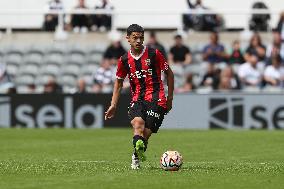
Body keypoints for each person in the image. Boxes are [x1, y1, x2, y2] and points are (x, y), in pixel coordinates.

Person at [104, 24, 174, 169]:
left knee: (145, 134)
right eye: (135, 37)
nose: (138, 40)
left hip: (157, 98)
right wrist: (113, 105)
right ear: (128, 39)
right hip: (138, 98)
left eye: (141, 37)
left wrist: (170, 98)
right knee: (138, 125)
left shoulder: (155, 54)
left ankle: (136, 154)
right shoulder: (124, 60)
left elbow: (169, 74)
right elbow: (118, 83)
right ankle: (137, 154)